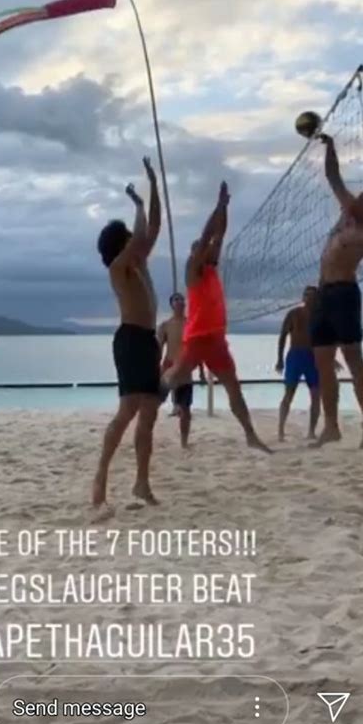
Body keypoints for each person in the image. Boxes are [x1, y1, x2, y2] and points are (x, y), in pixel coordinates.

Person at [163, 181, 271, 453]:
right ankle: (145, 398)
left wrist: (226, 207)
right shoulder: (193, 270)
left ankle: (250, 435)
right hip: (198, 337)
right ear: (195, 252)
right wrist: (218, 205)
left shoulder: (211, 267)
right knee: (172, 378)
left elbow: (219, 234)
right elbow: (208, 232)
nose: (209, 248)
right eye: (202, 247)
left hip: (217, 340)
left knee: (234, 389)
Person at [93, 157, 162, 509]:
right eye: (130, 238)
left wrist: (153, 185)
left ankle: (141, 483)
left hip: (148, 341)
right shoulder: (119, 268)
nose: (138, 240)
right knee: (127, 411)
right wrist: (137, 203)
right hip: (130, 340)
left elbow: (154, 229)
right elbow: (140, 237)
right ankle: (101, 477)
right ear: (121, 245)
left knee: (149, 413)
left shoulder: (139, 263)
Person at [311, 134, 363, 449]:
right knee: (323, 360)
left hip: (344, 295)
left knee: (354, 360)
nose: (357, 198)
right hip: (323, 294)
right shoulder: (347, 212)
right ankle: (331, 427)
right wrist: (330, 146)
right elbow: (332, 175)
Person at [275, 287, 320, 441]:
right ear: (303, 297)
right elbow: (282, 336)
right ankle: (280, 430)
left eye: (312, 296)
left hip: (313, 357)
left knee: (315, 395)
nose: (309, 298)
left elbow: (326, 340)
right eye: (306, 295)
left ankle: (311, 432)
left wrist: (330, 360)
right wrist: (279, 359)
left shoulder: (320, 316)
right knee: (289, 393)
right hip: (295, 355)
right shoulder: (293, 314)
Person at [158, 293, 195, 448]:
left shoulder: (191, 324)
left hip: (185, 370)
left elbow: (196, 348)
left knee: (185, 409)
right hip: (169, 369)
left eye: (181, 299)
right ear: (171, 304)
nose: (180, 302)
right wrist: (157, 369)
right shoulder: (165, 325)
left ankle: (184, 442)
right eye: (176, 300)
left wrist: (199, 369)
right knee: (154, 403)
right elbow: (158, 348)